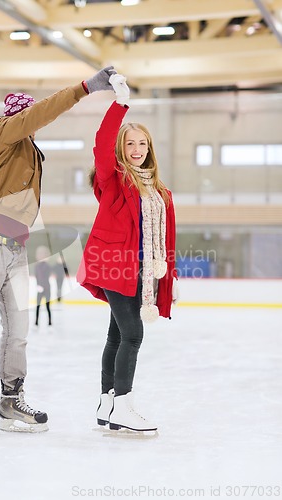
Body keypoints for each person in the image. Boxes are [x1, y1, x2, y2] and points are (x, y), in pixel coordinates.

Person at [0, 66, 117, 435]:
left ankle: (11, 399)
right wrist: (86, 88)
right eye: (26, 118)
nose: (32, 124)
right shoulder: (1, 130)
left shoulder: (25, 149)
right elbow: (39, 113)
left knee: (19, 330)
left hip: (15, 247)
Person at [77, 74, 179, 433]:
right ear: (121, 148)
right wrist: (119, 105)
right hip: (114, 266)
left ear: (150, 147)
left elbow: (167, 238)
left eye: (142, 144)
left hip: (144, 272)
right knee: (133, 334)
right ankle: (123, 404)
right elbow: (102, 143)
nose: (137, 149)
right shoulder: (114, 180)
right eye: (130, 144)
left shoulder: (160, 191)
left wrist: (172, 274)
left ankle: (106, 402)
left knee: (117, 336)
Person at [34, 246, 52, 326]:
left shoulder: (47, 266)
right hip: (39, 288)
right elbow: (37, 277)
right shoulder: (37, 266)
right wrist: (38, 286)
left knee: (47, 306)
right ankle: (36, 321)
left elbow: (45, 276)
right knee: (38, 306)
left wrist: (42, 286)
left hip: (47, 288)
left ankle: (50, 321)